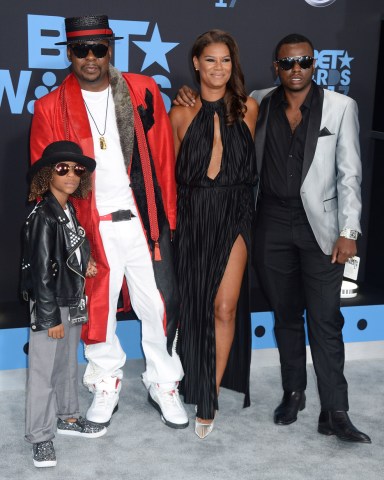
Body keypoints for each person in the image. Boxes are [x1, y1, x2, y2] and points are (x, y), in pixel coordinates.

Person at [175, 32, 371, 444]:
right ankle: (293, 393)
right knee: (285, 317)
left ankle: (335, 410)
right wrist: (188, 97)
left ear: (314, 63)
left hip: (322, 229)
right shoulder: (260, 102)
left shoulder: (340, 107)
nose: (295, 69)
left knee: (325, 320)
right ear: (275, 68)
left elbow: (350, 175)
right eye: (287, 63)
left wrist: (349, 231)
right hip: (270, 224)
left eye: (303, 62)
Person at [29, 15, 188, 430]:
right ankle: (106, 381)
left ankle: (164, 382)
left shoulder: (142, 90)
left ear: (110, 49)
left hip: (143, 220)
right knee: (98, 310)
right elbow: (44, 178)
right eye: (82, 49)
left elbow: (164, 159)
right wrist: (65, 234)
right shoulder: (50, 107)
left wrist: (167, 218)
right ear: (69, 53)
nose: (91, 57)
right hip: (90, 225)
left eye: (99, 48)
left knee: (158, 304)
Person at [169, 30, 258, 438]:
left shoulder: (249, 109)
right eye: (210, 60)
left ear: (232, 64)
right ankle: (193, 380)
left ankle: (211, 396)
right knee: (196, 309)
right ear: (196, 63)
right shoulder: (181, 113)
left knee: (225, 306)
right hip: (193, 216)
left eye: (225, 60)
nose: (218, 68)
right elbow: (171, 178)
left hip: (236, 213)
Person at [21, 140, 106, 468]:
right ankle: (40, 436)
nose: (71, 175)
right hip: (51, 306)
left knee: (67, 365)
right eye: (62, 168)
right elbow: (41, 271)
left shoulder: (67, 210)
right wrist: (48, 318)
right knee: (43, 372)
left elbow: (65, 252)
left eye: (77, 169)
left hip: (70, 300)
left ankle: (68, 417)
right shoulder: (43, 215)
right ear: (47, 173)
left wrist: (84, 262)